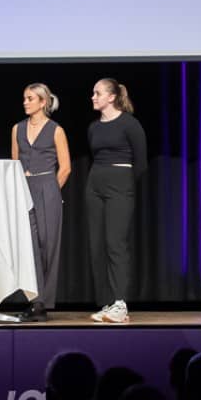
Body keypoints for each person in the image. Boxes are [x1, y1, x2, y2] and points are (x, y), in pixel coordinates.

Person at [86, 78, 146, 324]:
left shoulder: (129, 124)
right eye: (93, 93)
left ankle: (120, 303)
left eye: (97, 93)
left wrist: (125, 184)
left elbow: (140, 162)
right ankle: (108, 303)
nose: (93, 97)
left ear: (111, 97)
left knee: (115, 244)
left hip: (120, 184)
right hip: (95, 184)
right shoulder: (94, 127)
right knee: (98, 245)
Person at [11, 83, 71, 322]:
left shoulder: (56, 130)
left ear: (43, 102)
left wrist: (52, 190)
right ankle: (34, 301)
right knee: (29, 247)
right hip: (24, 188)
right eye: (24, 98)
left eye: (30, 98)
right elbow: (14, 163)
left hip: (47, 187)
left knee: (48, 246)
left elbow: (65, 167)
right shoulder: (17, 128)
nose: (25, 102)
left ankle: (43, 303)